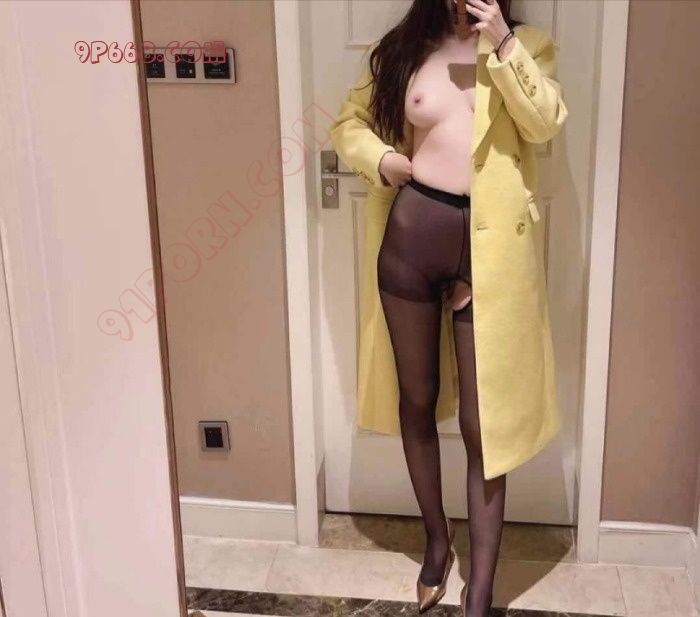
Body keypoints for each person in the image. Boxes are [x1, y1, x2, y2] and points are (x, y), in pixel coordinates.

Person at [329, 1, 568, 615]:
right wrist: (381, 159)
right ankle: (437, 540)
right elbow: (349, 122)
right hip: (412, 240)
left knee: (484, 425)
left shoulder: (528, 46)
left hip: (492, 257)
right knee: (416, 398)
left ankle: (480, 588)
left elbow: (544, 123)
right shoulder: (406, 48)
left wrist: (503, 42)